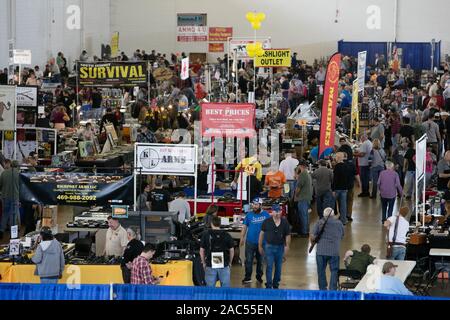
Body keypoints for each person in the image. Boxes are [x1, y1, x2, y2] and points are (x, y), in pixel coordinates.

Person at [311, 207, 344, 291]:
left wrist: (314, 242)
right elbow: (342, 235)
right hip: (334, 251)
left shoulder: (319, 223)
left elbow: (312, 236)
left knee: (321, 270)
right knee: (334, 270)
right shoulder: (339, 223)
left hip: (321, 251)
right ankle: (332, 289)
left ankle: (322, 288)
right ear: (333, 215)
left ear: (323, 215)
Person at [258, 204, 291, 289]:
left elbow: (288, 235)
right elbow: (261, 234)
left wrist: (287, 246)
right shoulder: (266, 222)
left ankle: (276, 284)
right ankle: (269, 284)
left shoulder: (284, 222)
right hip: (269, 248)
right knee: (269, 266)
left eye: (279, 211)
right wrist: (260, 245)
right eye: (275, 211)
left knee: (278, 268)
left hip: (280, 248)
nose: (277, 213)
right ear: (271, 212)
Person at [240, 198, 271, 284]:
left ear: (261, 205)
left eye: (256, 205)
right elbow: (244, 226)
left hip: (262, 243)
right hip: (250, 242)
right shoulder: (249, 215)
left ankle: (259, 276)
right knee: (248, 260)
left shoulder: (266, 215)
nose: (254, 206)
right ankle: (247, 277)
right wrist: (242, 237)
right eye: (253, 204)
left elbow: (270, 227)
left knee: (260, 261)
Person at [200, 216, 234, 287]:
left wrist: (203, 263)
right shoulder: (227, 235)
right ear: (220, 224)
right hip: (224, 265)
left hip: (210, 264)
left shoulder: (206, 234)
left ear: (211, 223)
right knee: (225, 287)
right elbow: (232, 250)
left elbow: (202, 250)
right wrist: (230, 262)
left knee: (210, 287)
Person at [0, 160, 19, 239]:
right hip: (15, 197)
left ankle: (1, 231)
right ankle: (13, 234)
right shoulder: (18, 174)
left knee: (5, 214)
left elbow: (0, 185)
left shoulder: (4, 173)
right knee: (13, 216)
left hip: (4, 197)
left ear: (10, 164)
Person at [294, 160, 313, 236]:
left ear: (301, 166)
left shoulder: (302, 175)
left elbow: (298, 188)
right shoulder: (307, 174)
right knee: (306, 215)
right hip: (307, 197)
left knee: (303, 215)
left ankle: (304, 232)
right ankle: (306, 230)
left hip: (302, 198)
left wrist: (295, 196)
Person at [332, 152, 351, 225]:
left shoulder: (337, 167)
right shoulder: (346, 166)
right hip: (344, 188)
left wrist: (333, 189)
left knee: (332, 204)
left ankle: (331, 219)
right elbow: (348, 178)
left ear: (338, 158)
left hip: (337, 188)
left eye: (336, 157)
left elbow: (335, 179)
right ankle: (343, 220)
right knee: (343, 205)